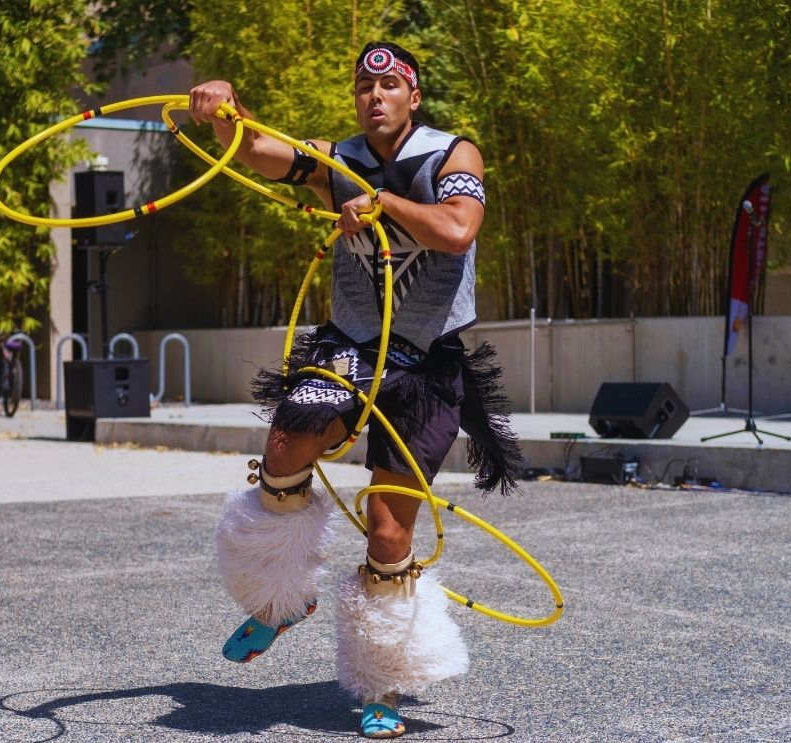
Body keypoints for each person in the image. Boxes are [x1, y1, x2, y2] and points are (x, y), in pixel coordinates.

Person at [189, 41, 521, 739]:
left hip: (426, 357)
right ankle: (281, 600)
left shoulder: (452, 154)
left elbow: (458, 230)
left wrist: (386, 203)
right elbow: (258, 149)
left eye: (389, 86)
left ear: (413, 96)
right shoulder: (335, 159)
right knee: (286, 443)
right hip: (349, 345)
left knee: (389, 527)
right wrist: (224, 109)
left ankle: (383, 684)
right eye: (364, 88)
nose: (374, 97)